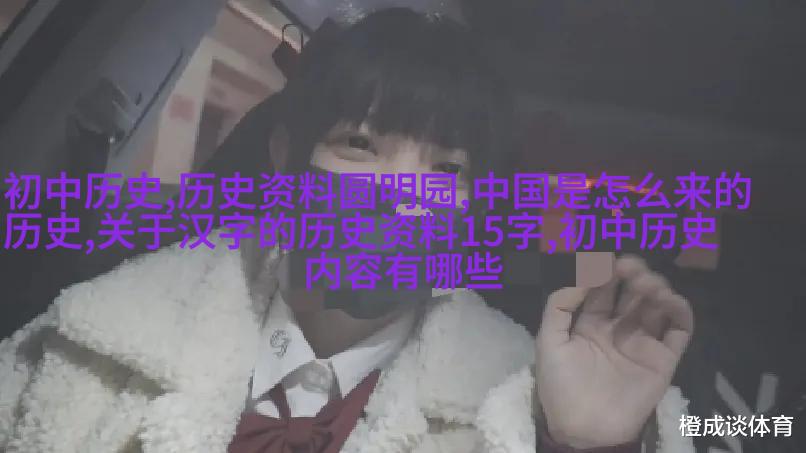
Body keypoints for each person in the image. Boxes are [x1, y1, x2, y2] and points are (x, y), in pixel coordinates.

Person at [0, 8, 695, 453]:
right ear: (285, 157)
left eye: (446, 168)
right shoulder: (95, 338)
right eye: (361, 145)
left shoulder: (510, 395)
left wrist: (579, 446)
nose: (402, 195)